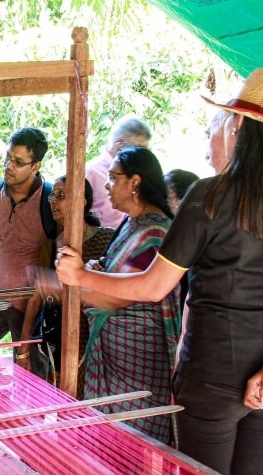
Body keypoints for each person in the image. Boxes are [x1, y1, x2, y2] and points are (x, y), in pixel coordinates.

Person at [56, 68, 263, 475]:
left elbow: (154, 286)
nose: (214, 132)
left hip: (212, 375)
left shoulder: (210, 196)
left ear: (238, 125)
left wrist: (79, 275)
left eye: (219, 122)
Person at [52, 147, 180, 445]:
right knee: (110, 443)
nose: (107, 185)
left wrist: (64, 284)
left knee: (135, 444)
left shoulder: (154, 234)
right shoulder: (130, 224)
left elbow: (117, 297)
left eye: (113, 178)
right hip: (115, 359)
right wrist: (94, 272)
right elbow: (112, 273)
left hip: (138, 365)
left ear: (135, 182)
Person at [18, 177, 114, 383]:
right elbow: (36, 299)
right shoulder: (52, 246)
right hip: (62, 341)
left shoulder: (107, 239)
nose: (53, 201)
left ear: (83, 200)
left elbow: (116, 295)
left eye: (61, 195)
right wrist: (23, 351)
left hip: (100, 340)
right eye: (53, 195)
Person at [0, 127, 54, 372]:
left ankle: (36, 410)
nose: (9, 166)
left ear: (36, 166)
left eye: (19, 162)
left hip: (31, 305)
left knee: (30, 365)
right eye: (8, 158)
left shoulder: (50, 202)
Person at [86, 115, 152, 229]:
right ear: (119, 146)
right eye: (138, 150)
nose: (143, 157)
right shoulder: (90, 173)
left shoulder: (138, 174)